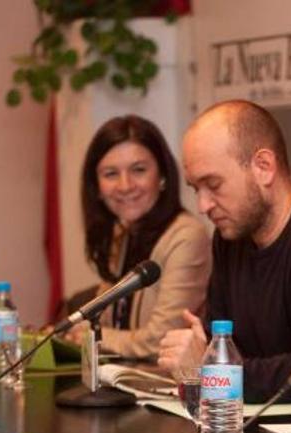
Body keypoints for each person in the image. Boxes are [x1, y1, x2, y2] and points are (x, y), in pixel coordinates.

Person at [157, 100, 291, 406]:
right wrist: (196, 357)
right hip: (256, 430)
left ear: (263, 167)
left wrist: (210, 372)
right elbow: (219, 347)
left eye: (213, 185)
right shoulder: (229, 238)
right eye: (196, 189)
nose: (203, 206)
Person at [66, 115, 211, 359]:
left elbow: (162, 340)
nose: (125, 185)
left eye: (139, 170)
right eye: (111, 174)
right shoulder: (123, 233)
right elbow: (106, 320)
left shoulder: (187, 238)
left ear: (162, 176)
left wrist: (88, 335)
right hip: (123, 381)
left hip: (166, 389)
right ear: (96, 186)